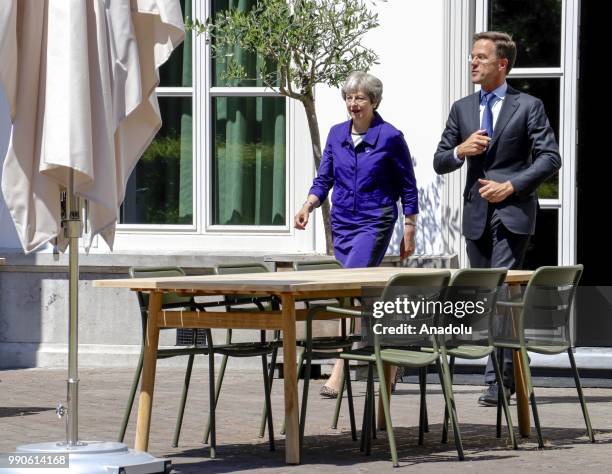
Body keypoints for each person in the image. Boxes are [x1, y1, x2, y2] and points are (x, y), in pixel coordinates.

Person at [433, 31, 561, 406]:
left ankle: (498, 380)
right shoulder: (462, 108)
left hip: (512, 214)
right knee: (484, 294)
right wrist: (461, 149)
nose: (473, 63)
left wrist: (511, 186)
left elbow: (549, 157)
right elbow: (440, 160)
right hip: (475, 217)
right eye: (472, 57)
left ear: (501, 64)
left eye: (481, 58)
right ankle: (505, 376)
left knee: (500, 291)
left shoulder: (528, 106)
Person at [295, 70, 419, 397]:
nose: (353, 103)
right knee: (363, 295)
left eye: (360, 98)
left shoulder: (390, 137)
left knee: (350, 287)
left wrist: (410, 228)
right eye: (349, 98)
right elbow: (324, 179)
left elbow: (408, 186)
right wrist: (308, 205)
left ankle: (340, 367)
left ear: (374, 102)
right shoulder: (337, 134)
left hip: (375, 219)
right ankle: (390, 362)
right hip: (343, 223)